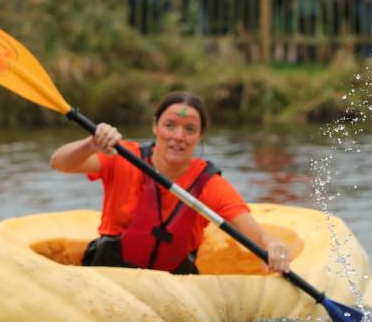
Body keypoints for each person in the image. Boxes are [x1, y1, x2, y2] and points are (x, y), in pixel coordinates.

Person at [50, 92, 290, 275]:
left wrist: (273, 245)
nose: (178, 137)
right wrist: (91, 144)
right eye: (170, 125)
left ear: (199, 137)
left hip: (173, 286)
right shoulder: (123, 157)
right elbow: (60, 163)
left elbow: (257, 236)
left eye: (190, 129)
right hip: (111, 275)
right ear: (155, 126)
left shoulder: (208, 183)